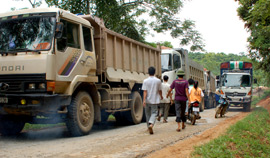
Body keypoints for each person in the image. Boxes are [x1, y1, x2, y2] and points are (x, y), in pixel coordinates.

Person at [142, 66, 163, 134]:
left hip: (148, 100)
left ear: (148, 72)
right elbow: (160, 90)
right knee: (154, 113)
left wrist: (144, 100)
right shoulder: (158, 81)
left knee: (147, 114)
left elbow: (145, 91)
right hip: (155, 100)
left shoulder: (145, 81)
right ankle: (151, 124)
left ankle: (148, 126)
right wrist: (161, 96)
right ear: (154, 72)